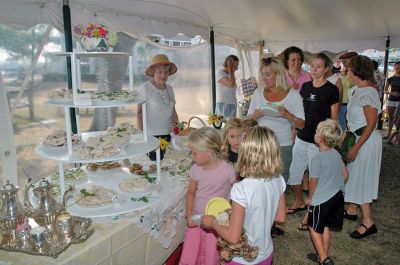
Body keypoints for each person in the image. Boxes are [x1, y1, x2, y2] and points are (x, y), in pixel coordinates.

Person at [201, 126, 286, 265]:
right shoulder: (278, 179)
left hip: (242, 259)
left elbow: (233, 237)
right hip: (266, 253)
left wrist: (212, 222)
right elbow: (280, 217)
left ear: (245, 153)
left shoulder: (241, 189)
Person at [287, 53, 339, 214]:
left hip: (318, 143)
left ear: (326, 69)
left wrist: (326, 142)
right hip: (302, 138)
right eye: (312, 66)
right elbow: (300, 112)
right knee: (294, 175)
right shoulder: (306, 87)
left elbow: (334, 118)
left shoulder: (331, 89)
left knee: (314, 178)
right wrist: (295, 131)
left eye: (318, 66)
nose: (314, 69)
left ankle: (312, 211)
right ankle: (299, 202)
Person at [179, 127, 236, 265]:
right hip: (197, 219)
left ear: (209, 152)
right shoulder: (195, 169)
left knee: (212, 255)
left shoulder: (228, 170)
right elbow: (191, 192)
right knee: (192, 253)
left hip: (216, 223)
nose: (191, 156)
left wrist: (232, 216)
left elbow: (239, 194)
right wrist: (189, 213)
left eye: (194, 153)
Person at [342, 55, 382, 239]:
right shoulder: (355, 90)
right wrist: (344, 138)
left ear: (358, 72)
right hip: (355, 138)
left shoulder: (368, 93)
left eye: (349, 69)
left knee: (361, 178)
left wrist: (356, 147)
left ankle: (368, 222)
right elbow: (352, 120)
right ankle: (351, 209)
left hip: (365, 142)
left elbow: (371, 124)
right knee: (354, 176)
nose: (346, 72)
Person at [247, 57, 305, 183]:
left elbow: (301, 124)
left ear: (278, 74)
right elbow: (248, 120)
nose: (263, 78)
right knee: (259, 179)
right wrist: (255, 116)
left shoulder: (293, 95)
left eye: (267, 74)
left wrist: (288, 114)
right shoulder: (258, 92)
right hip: (260, 143)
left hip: (283, 144)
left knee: (280, 179)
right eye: (262, 74)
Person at [305, 119, 348, 265]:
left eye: (317, 132)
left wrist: (310, 199)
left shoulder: (317, 158)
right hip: (337, 197)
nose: (315, 134)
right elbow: (345, 174)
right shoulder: (336, 154)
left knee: (314, 228)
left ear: (320, 138)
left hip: (321, 200)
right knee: (325, 226)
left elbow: (313, 181)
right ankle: (322, 254)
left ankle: (324, 259)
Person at [137, 54, 179, 160]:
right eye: (160, 72)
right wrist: (143, 136)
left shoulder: (170, 89)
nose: (163, 76)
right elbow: (139, 113)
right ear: (153, 73)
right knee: (154, 163)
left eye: (166, 72)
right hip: (151, 135)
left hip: (167, 133)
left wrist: (177, 129)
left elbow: (173, 111)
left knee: (167, 162)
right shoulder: (145, 88)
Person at [338, 52, 358, 131]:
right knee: (343, 130)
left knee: (349, 130)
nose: (344, 64)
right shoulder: (346, 73)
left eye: (346, 62)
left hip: (350, 105)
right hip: (343, 105)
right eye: (343, 62)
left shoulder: (356, 74)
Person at [383, 61, 400, 139]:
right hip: (391, 100)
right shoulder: (390, 79)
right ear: (394, 68)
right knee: (390, 118)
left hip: (399, 101)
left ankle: (397, 136)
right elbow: (385, 90)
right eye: (397, 68)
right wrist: (392, 93)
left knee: (398, 120)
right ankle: (388, 135)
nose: (398, 70)